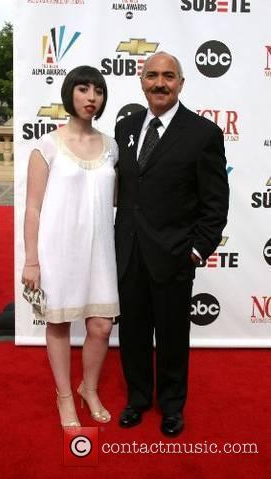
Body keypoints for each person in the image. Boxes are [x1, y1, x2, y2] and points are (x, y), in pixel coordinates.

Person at [114, 52, 229, 436]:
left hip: (174, 256)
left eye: (168, 76)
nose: (159, 83)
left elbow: (215, 203)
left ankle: (172, 406)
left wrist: (195, 251)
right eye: (152, 76)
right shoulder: (126, 127)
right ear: (140, 80)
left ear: (181, 83)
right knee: (131, 333)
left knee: (173, 337)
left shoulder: (202, 133)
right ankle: (138, 399)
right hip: (128, 254)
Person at [22, 66, 119, 428]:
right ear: (69, 93)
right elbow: (33, 207)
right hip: (58, 250)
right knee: (59, 324)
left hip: (101, 251)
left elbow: (118, 199)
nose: (91, 97)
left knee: (101, 327)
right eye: (83, 89)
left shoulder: (111, 147)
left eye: (98, 90)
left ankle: (88, 388)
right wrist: (31, 261)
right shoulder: (47, 145)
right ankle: (64, 395)